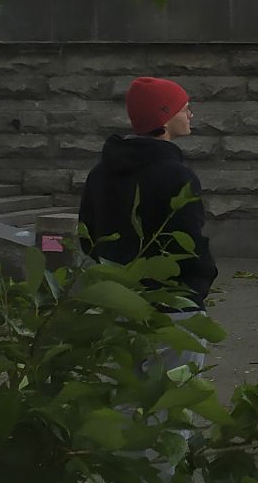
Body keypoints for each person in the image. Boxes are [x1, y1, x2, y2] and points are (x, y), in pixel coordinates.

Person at [79, 76, 218, 311]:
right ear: (164, 117)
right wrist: (197, 285)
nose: (190, 115)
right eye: (185, 109)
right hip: (172, 302)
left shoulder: (100, 172)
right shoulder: (177, 176)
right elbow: (188, 243)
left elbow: (88, 235)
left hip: (115, 300)